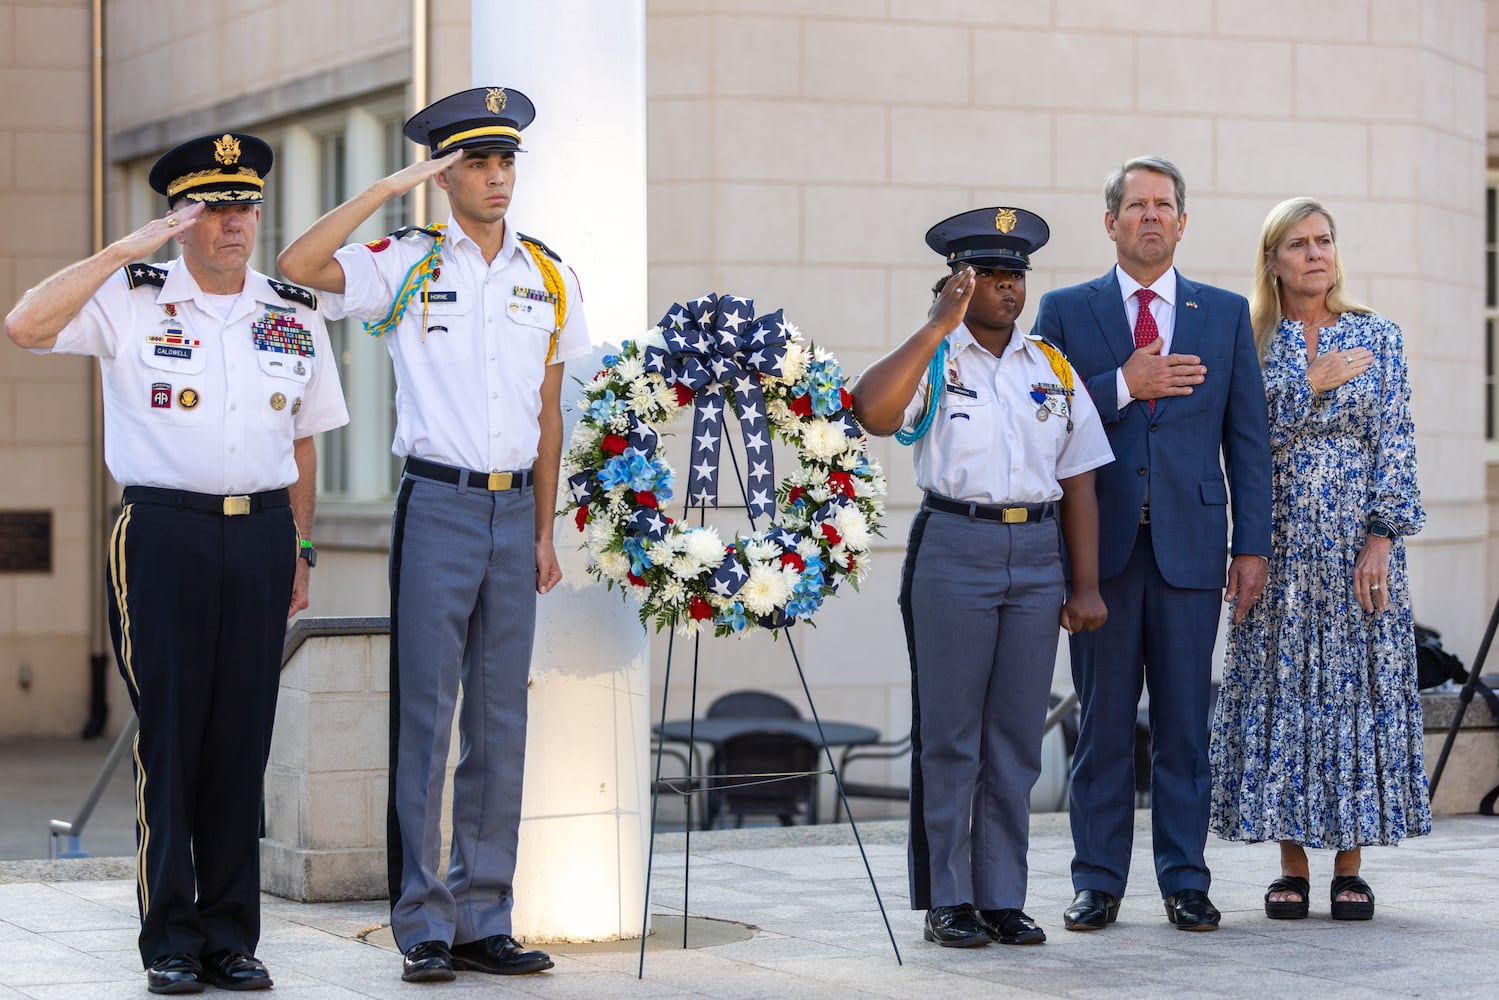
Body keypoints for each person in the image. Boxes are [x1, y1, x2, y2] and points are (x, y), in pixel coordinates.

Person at [5, 133, 347, 994]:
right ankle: (170, 938)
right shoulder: (132, 295)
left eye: (246, 206)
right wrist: (127, 248)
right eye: (216, 208)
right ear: (183, 218)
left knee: (241, 740)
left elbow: (303, 442)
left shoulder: (290, 309)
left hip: (264, 533)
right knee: (171, 735)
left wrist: (302, 547)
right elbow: (25, 325)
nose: (237, 224)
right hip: (163, 532)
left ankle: (232, 937)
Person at [277, 87, 589, 983]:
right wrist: (389, 186)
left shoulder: (546, 272)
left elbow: (547, 413)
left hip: (508, 517)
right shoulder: (407, 262)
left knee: (501, 723)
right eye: (477, 164)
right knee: (425, 719)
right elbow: (302, 264)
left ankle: (485, 913)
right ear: (447, 173)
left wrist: (542, 530)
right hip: (439, 507)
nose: (497, 178)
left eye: (506, 162)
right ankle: (420, 919)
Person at [853, 207, 1114, 948]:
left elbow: (1081, 479)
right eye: (989, 276)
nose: (1006, 286)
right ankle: (948, 898)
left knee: (1014, 741)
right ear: (956, 285)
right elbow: (871, 411)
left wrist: (1084, 584)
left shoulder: (1050, 367)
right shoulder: (937, 358)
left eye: (1014, 274)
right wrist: (937, 324)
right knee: (950, 736)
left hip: (1035, 556)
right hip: (954, 548)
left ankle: (1001, 895)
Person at [1031, 156, 1272, 933]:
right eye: (1134, 206)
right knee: (1100, 726)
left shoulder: (1223, 312)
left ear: (1181, 221)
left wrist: (1252, 546)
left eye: (1163, 205)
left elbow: (1247, 440)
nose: (1149, 217)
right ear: (1109, 222)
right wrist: (1119, 385)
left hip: (1193, 550)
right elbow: (1038, 419)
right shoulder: (1066, 311)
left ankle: (1184, 880)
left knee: (1181, 728)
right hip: (1096, 552)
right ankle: (1096, 881)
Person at [1209, 197, 1429, 922]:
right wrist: (1309, 381)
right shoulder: (1246, 340)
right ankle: (1291, 866)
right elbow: (1237, 437)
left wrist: (1381, 536)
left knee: (1351, 690)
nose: (1314, 254)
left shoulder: (1379, 336)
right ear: (1271, 260)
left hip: (1354, 551)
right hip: (1272, 544)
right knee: (1283, 690)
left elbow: (1394, 439)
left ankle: (1350, 866)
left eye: (1324, 241)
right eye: (1297, 244)